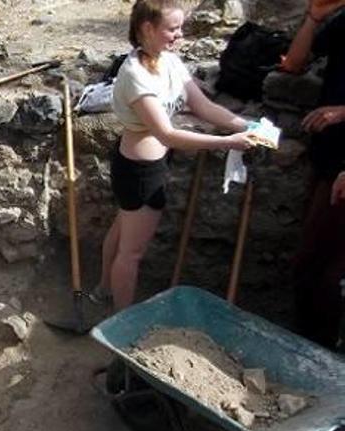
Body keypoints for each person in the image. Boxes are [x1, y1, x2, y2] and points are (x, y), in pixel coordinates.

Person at [91, 0, 255, 311]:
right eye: (173, 29)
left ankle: (103, 290)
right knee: (132, 253)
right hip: (139, 172)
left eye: (181, 28)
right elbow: (166, 133)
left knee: (122, 230)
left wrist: (248, 125)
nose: (179, 35)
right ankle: (121, 321)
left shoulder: (169, 61)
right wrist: (227, 142)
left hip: (149, 164)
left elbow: (203, 106)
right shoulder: (134, 74)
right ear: (147, 28)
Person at [280, 1, 345, 351]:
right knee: (309, 267)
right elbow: (292, 64)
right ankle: (307, 353)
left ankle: (321, 361)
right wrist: (314, 17)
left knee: (329, 276)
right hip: (327, 162)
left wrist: (342, 112)